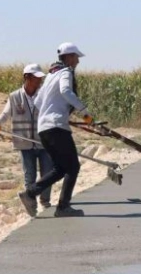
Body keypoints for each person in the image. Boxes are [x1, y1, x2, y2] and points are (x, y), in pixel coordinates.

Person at [17, 43, 94, 218]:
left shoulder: (51, 76)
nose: (77, 62)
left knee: (60, 168)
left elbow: (37, 102)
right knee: (73, 167)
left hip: (45, 129)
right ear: (68, 57)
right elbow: (66, 91)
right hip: (57, 128)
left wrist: (55, 112)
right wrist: (84, 113)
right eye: (76, 57)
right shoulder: (65, 73)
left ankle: (30, 194)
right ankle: (63, 207)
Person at [0, 64, 54, 210]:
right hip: (24, 143)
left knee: (48, 174)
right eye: (36, 77)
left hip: (44, 141)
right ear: (27, 77)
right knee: (30, 175)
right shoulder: (14, 97)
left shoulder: (44, 96)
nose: (39, 80)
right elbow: (5, 114)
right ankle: (31, 203)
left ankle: (45, 202)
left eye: (40, 78)